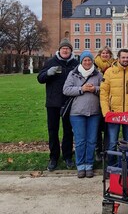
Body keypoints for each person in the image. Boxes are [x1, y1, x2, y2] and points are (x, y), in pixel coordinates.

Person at [37, 38, 77, 171]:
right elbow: (40, 78)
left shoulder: (75, 63)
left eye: (67, 48)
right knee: (53, 131)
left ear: (71, 50)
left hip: (68, 102)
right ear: (59, 50)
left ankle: (67, 156)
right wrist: (48, 73)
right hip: (53, 102)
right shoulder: (51, 62)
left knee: (68, 131)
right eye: (63, 48)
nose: (65, 50)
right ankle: (54, 157)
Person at [100, 49, 128, 165]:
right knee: (112, 142)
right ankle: (111, 167)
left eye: (127, 57)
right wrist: (106, 112)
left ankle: (126, 166)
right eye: (123, 57)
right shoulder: (110, 72)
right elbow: (103, 93)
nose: (125, 60)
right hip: (114, 113)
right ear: (118, 58)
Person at [63, 51, 103, 178]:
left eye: (89, 60)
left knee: (91, 140)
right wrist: (82, 89)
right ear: (81, 61)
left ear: (92, 61)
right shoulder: (73, 74)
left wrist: (95, 89)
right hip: (77, 113)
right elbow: (66, 89)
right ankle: (80, 165)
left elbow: (104, 89)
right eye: (85, 60)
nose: (87, 62)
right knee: (80, 141)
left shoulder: (98, 74)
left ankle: (89, 165)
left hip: (94, 112)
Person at [94, 47, 115, 161]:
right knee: (97, 128)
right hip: (96, 101)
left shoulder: (114, 66)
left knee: (108, 128)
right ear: (99, 54)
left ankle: (107, 151)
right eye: (103, 53)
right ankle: (98, 151)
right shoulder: (94, 65)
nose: (105, 55)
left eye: (107, 53)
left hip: (110, 102)